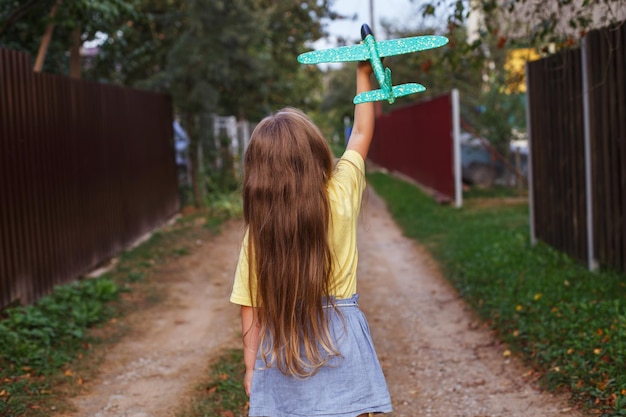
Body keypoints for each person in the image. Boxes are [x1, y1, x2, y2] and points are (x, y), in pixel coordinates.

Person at [229, 61, 392, 417]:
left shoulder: (260, 229)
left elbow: (251, 308)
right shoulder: (341, 193)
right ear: (315, 152)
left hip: (284, 349)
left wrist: (250, 366)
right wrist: (363, 74)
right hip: (342, 344)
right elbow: (361, 133)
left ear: (258, 173)